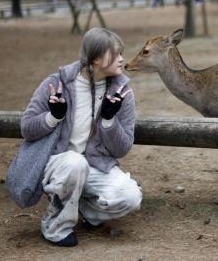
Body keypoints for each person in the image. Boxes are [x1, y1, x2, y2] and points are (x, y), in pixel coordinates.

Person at [21, 28, 142, 247]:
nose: (122, 59)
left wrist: (108, 120)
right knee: (75, 163)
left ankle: (87, 211)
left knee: (131, 197)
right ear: (95, 59)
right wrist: (53, 117)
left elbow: (123, 149)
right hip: (59, 163)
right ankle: (55, 226)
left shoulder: (122, 92)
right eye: (115, 54)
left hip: (96, 166)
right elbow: (27, 128)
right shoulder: (58, 83)